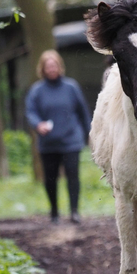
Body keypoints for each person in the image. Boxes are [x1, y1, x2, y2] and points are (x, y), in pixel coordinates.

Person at [25, 50, 91, 224]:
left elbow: (83, 112)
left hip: (71, 140)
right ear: (43, 69)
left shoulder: (71, 87)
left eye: (54, 65)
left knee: (73, 176)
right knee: (50, 179)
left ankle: (74, 212)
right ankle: (54, 211)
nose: (52, 69)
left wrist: (90, 134)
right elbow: (30, 112)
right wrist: (38, 124)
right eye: (48, 66)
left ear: (59, 66)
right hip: (48, 143)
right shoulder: (37, 91)